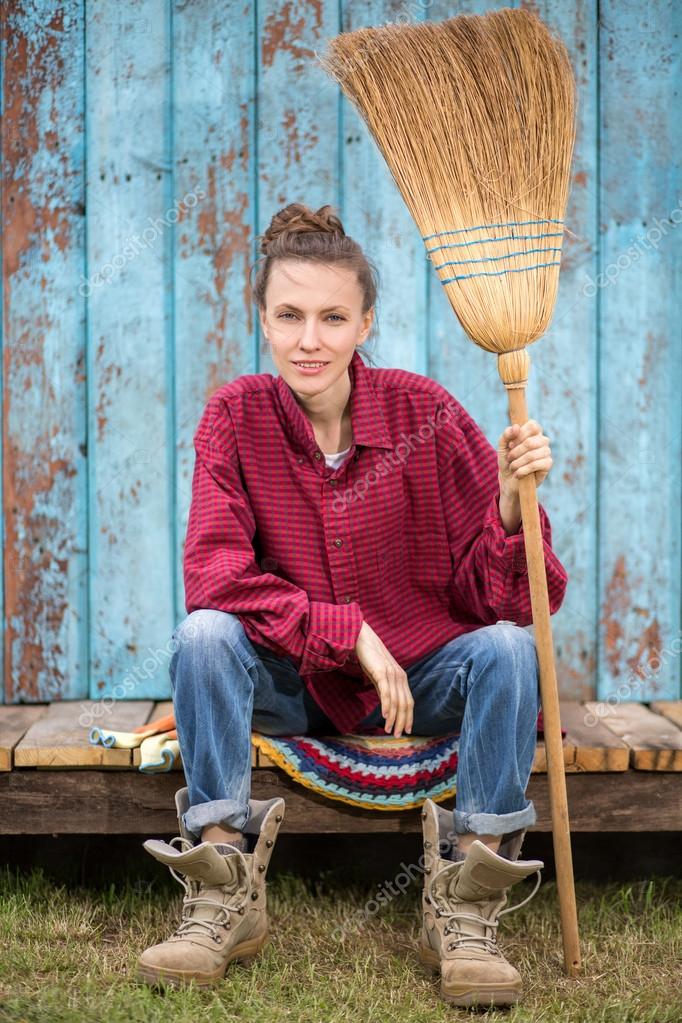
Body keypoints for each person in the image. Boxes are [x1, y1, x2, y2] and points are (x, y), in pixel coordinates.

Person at [137, 202, 568, 1006]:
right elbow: (216, 577)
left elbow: (504, 596)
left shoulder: (427, 414)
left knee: (509, 647)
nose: (310, 339)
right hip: (297, 683)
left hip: (424, 677)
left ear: (365, 320)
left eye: (332, 317)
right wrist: (348, 631)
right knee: (202, 635)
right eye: (290, 315)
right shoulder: (235, 416)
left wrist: (512, 507)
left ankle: (468, 904)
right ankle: (222, 886)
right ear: (262, 320)